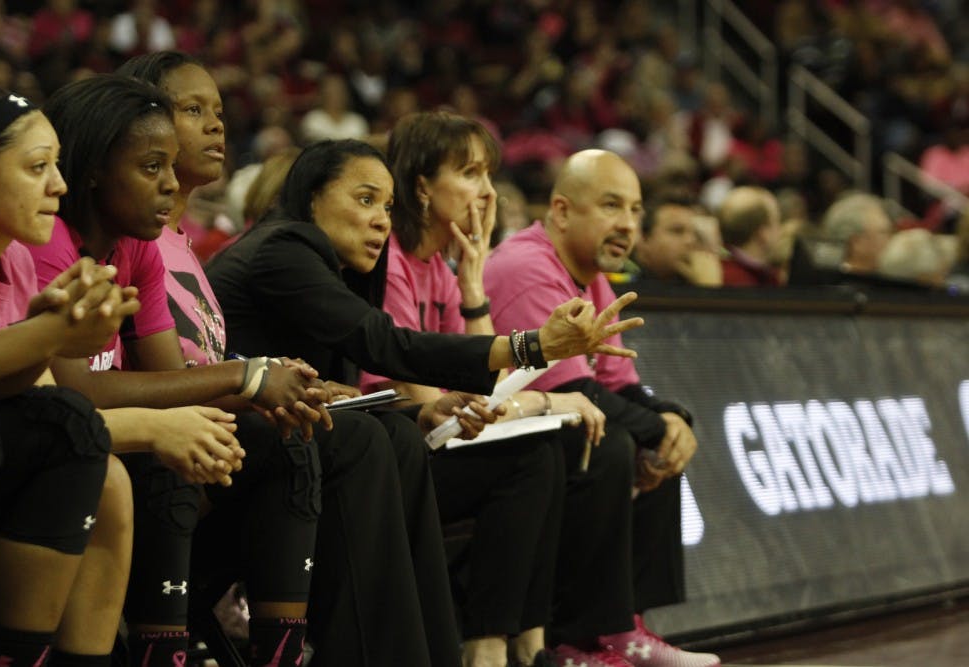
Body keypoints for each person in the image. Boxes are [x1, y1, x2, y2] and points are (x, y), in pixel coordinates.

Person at [115, 52, 506, 667]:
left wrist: (303, 386)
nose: (217, 126)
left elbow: (205, 366)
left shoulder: (181, 243)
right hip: (190, 459)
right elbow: (177, 381)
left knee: (391, 434)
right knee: (360, 439)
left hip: (228, 447)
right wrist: (525, 346)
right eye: (194, 110)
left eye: (219, 112)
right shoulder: (259, 247)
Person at [206, 138, 644, 666]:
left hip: (286, 450)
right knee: (375, 440)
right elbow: (385, 345)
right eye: (365, 200)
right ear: (313, 196)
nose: (380, 220)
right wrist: (531, 345)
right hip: (232, 455)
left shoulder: (340, 268)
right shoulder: (283, 248)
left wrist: (423, 412)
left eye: (387, 208)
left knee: (397, 436)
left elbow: (347, 387)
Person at [29, 73, 332, 667]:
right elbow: (76, 388)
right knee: (170, 449)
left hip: (103, 433)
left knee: (287, 440)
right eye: (150, 168)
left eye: (171, 167)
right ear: (92, 170)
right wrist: (244, 378)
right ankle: (163, 650)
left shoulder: (137, 245)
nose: (171, 185)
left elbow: (170, 381)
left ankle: (280, 653)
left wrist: (268, 390)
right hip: (71, 439)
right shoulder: (49, 244)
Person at [361, 110, 606, 667]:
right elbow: (425, 402)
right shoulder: (390, 263)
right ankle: (491, 648)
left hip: (433, 443)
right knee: (527, 458)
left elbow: (485, 386)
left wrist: (472, 281)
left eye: (490, 176)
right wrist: (543, 398)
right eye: (470, 173)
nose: (487, 192)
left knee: (543, 452)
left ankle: (524, 644)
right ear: (421, 186)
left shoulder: (443, 270)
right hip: (389, 452)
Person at [485, 149, 720, 667]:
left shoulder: (587, 273)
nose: (628, 224)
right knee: (613, 441)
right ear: (563, 211)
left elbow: (619, 384)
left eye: (636, 210)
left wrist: (672, 419)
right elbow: (574, 393)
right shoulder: (526, 266)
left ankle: (627, 624)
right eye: (612, 206)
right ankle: (582, 636)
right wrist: (656, 428)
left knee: (663, 434)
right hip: (493, 440)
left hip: (549, 423)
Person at [0, 84, 136, 667]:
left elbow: (33, 399)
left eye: (58, 166)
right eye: (38, 167)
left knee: (72, 429)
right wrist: (49, 336)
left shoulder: (15, 258)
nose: (59, 186)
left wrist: (46, 336)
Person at [632, 191, 722, 287]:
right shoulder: (625, 284)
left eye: (695, 234)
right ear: (645, 239)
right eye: (677, 231)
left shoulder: (695, 281)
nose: (690, 241)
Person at [716, 186, 784, 286]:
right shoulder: (741, 283)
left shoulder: (719, 269)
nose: (781, 229)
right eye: (777, 222)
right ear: (763, 232)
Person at [821, 192, 895, 276]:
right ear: (856, 242)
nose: (891, 239)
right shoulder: (832, 283)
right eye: (883, 233)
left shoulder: (890, 278)